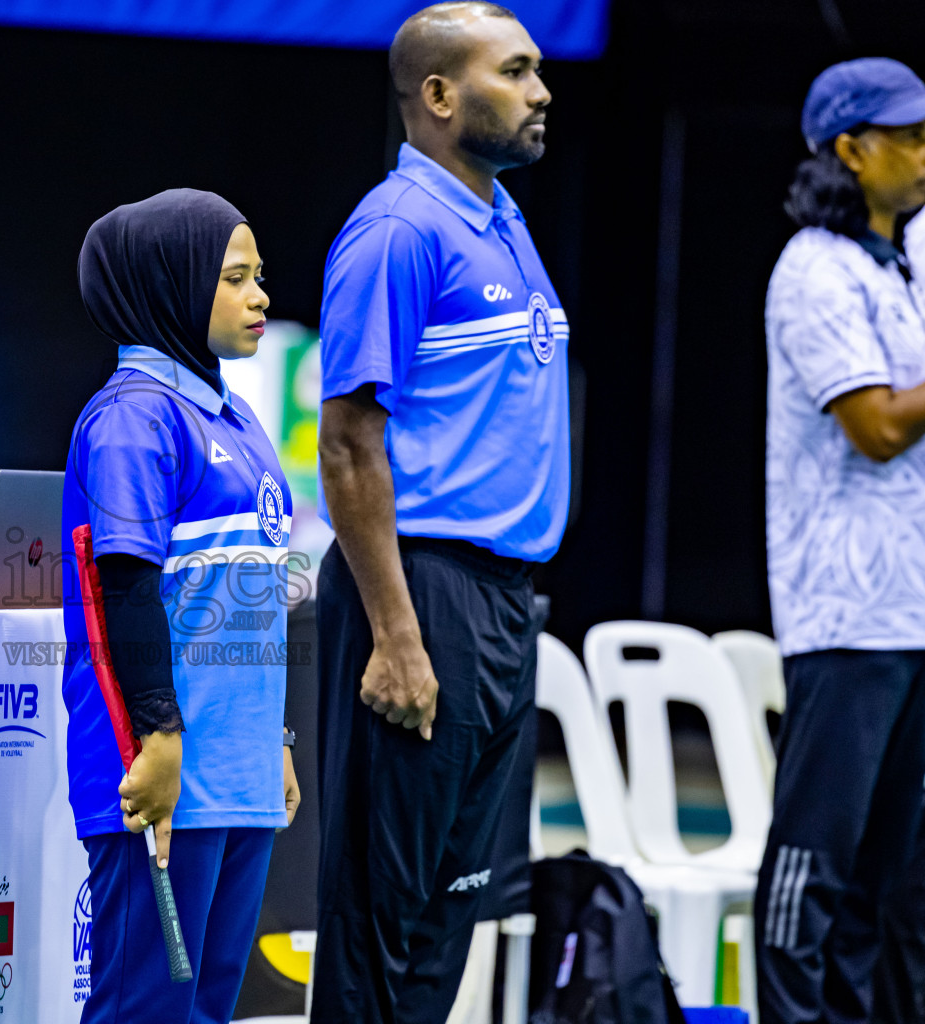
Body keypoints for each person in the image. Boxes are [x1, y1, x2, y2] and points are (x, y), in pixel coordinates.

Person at [311, 4, 568, 1022]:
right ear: (439, 96)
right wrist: (398, 635)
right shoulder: (396, 231)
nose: (542, 91)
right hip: (421, 594)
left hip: (501, 603)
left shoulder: (499, 215)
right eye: (516, 72)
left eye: (540, 69)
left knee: (450, 911)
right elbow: (347, 444)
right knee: (385, 916)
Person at [61, 189, 301, 1024]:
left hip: (235, 779)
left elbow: (248, 604)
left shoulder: (236, 418)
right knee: (144, 1014)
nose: (261, 296)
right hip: (161, 774)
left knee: (205, 1013)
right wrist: (159, 740)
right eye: (235, 278)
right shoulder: (134, 418)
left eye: (259, 276)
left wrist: (272, 740)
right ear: (172, 286)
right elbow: (123, 586)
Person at [760, 57, 925, 1024]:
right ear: (853, 152)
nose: (924, 151)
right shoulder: (813, 270)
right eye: (909, 135)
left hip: (909, 616)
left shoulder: (899, 264)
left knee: (885, 873)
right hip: (845, 617)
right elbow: (876, 426)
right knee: (813, 867)